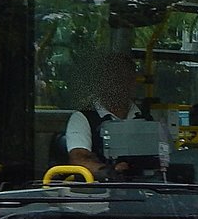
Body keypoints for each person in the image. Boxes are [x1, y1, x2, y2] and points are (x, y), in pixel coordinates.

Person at [64, 52, 158, 180]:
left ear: (133, 82)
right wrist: (108, 173)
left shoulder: (145, 118)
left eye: (125, 78)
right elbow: (79, 158)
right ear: (101, 83)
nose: (119, 85)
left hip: (146, 189)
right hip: (97, 193)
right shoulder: (82, 118)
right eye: (113, 79)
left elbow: (161, 156)